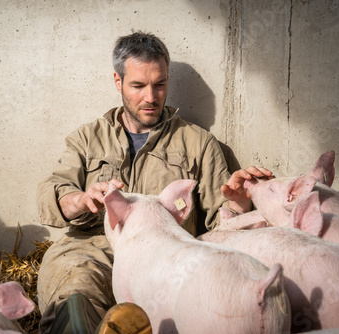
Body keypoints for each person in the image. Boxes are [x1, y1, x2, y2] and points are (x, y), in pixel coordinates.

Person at [36, 31, 271, 334]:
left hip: (164, 257)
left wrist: (239, 201)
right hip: (91, 250)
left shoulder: (198, 143)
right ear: (118, 82)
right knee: (76, 288)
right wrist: (79, 200)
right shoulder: (86, 138)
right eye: (138, 85)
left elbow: (220, 227)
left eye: (160, 84)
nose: (151, 97)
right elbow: (52, 194)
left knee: (182, 302)